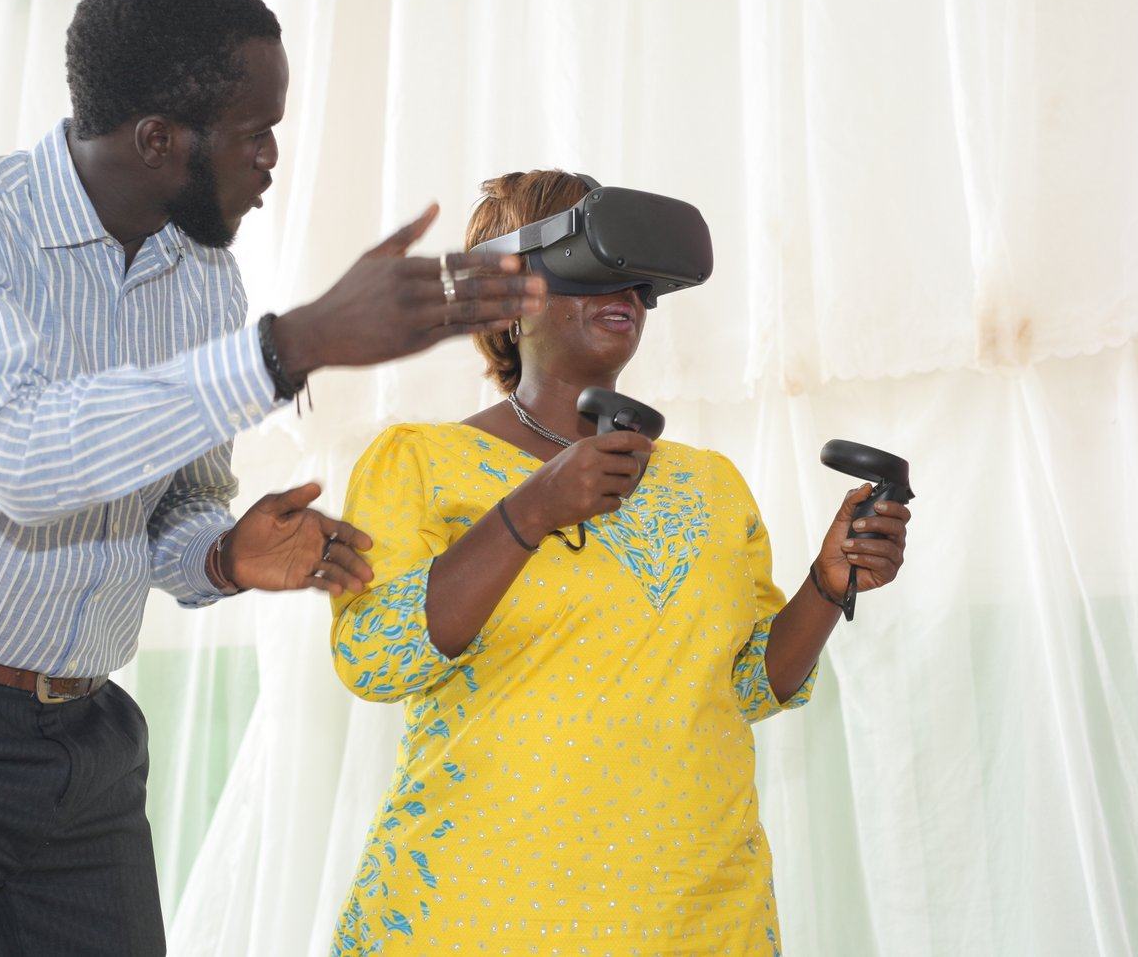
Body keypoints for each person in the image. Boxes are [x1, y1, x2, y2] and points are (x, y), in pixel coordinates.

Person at [0, 0, 545, 956]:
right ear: (158, 138)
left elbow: (170, 504)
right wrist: (293, 345)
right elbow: (20, 455)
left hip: (85, 740)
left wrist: (226, 552)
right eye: (254, 132)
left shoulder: (205, 281)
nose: (272, 158)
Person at [328, 170, 909, 954]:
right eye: (590, 263)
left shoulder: (710, 484)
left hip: (697, 920)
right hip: (481, 917)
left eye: (638, 277)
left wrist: (826, 584)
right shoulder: (421, 463)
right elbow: (374, 658)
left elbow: (745, 685)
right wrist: (528, 512)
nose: (626, 291)